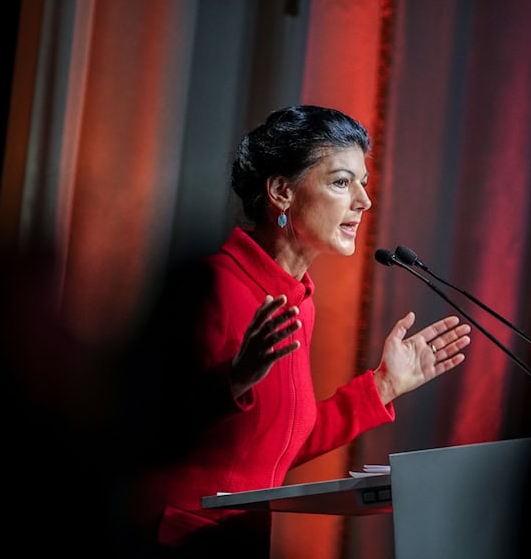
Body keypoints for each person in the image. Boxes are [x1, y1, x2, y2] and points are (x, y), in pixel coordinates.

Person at [121, 105, 472, 557]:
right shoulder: (216, 286)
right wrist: (236, 379)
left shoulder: (299, 302)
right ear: (282, 191)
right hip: (175, 538)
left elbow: (277, 443)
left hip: (239, 541)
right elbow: (150, 428)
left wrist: (383, 385)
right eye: (342, 182)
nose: (364, 201)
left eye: (362, 183)